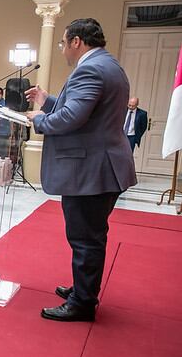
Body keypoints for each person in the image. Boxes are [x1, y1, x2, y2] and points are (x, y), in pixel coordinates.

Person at [25, 17, 136, 323]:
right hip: (103, 164)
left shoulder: (89, 68)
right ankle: (82, 289)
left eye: (63, 43)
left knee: (85, 236)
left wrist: (37, 120)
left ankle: (83, 303)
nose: (62, 50)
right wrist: (48, 101)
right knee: (89, 234)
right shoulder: (108, 65)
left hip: (92, 169)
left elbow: (72, 118)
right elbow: (84, 110)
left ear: (76, 42)